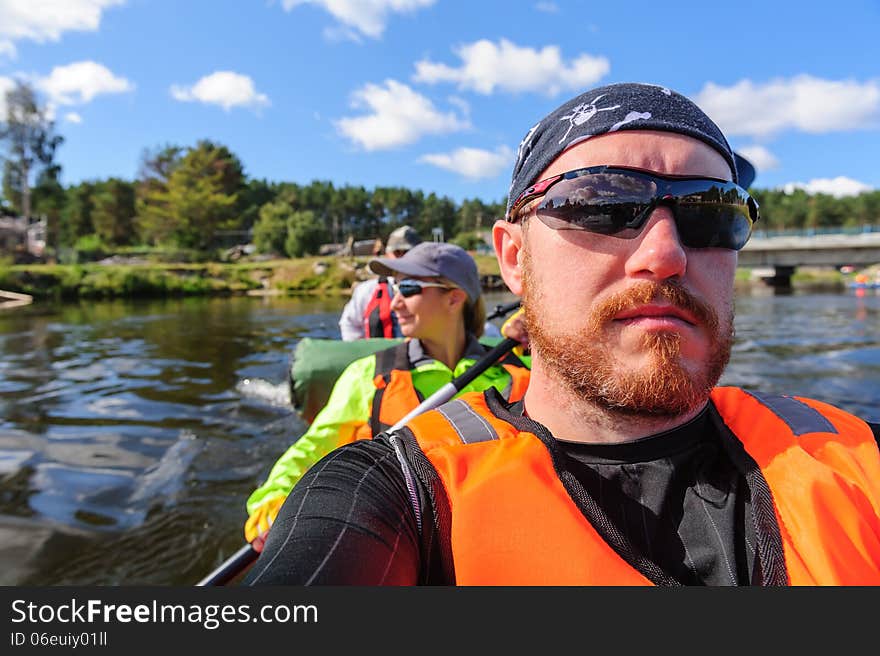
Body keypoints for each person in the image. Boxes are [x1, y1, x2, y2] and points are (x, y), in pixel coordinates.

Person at [245, 82, 880, 585]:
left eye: (711, 213)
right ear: (515, 259)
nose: (665, 254)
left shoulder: (851, 458)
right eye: (599, 204)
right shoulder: (394, 493)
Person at [244, 241, 530, 546]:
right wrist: (274, 499)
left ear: (454, 297)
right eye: (395, 289)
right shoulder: (367, 374)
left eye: (408, 288)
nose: (395, 303)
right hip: (404, 539)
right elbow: (316, 446)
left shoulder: (522, 367)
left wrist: (538, 321)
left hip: (503, 533)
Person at [338, 225, 422, 341]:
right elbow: (349, 323)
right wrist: (359, 350)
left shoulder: (431, 291)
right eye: (397, 252)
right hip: (379, 356)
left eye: (408, 252)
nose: (403, 258)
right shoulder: (366, 290)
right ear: (387, 255)